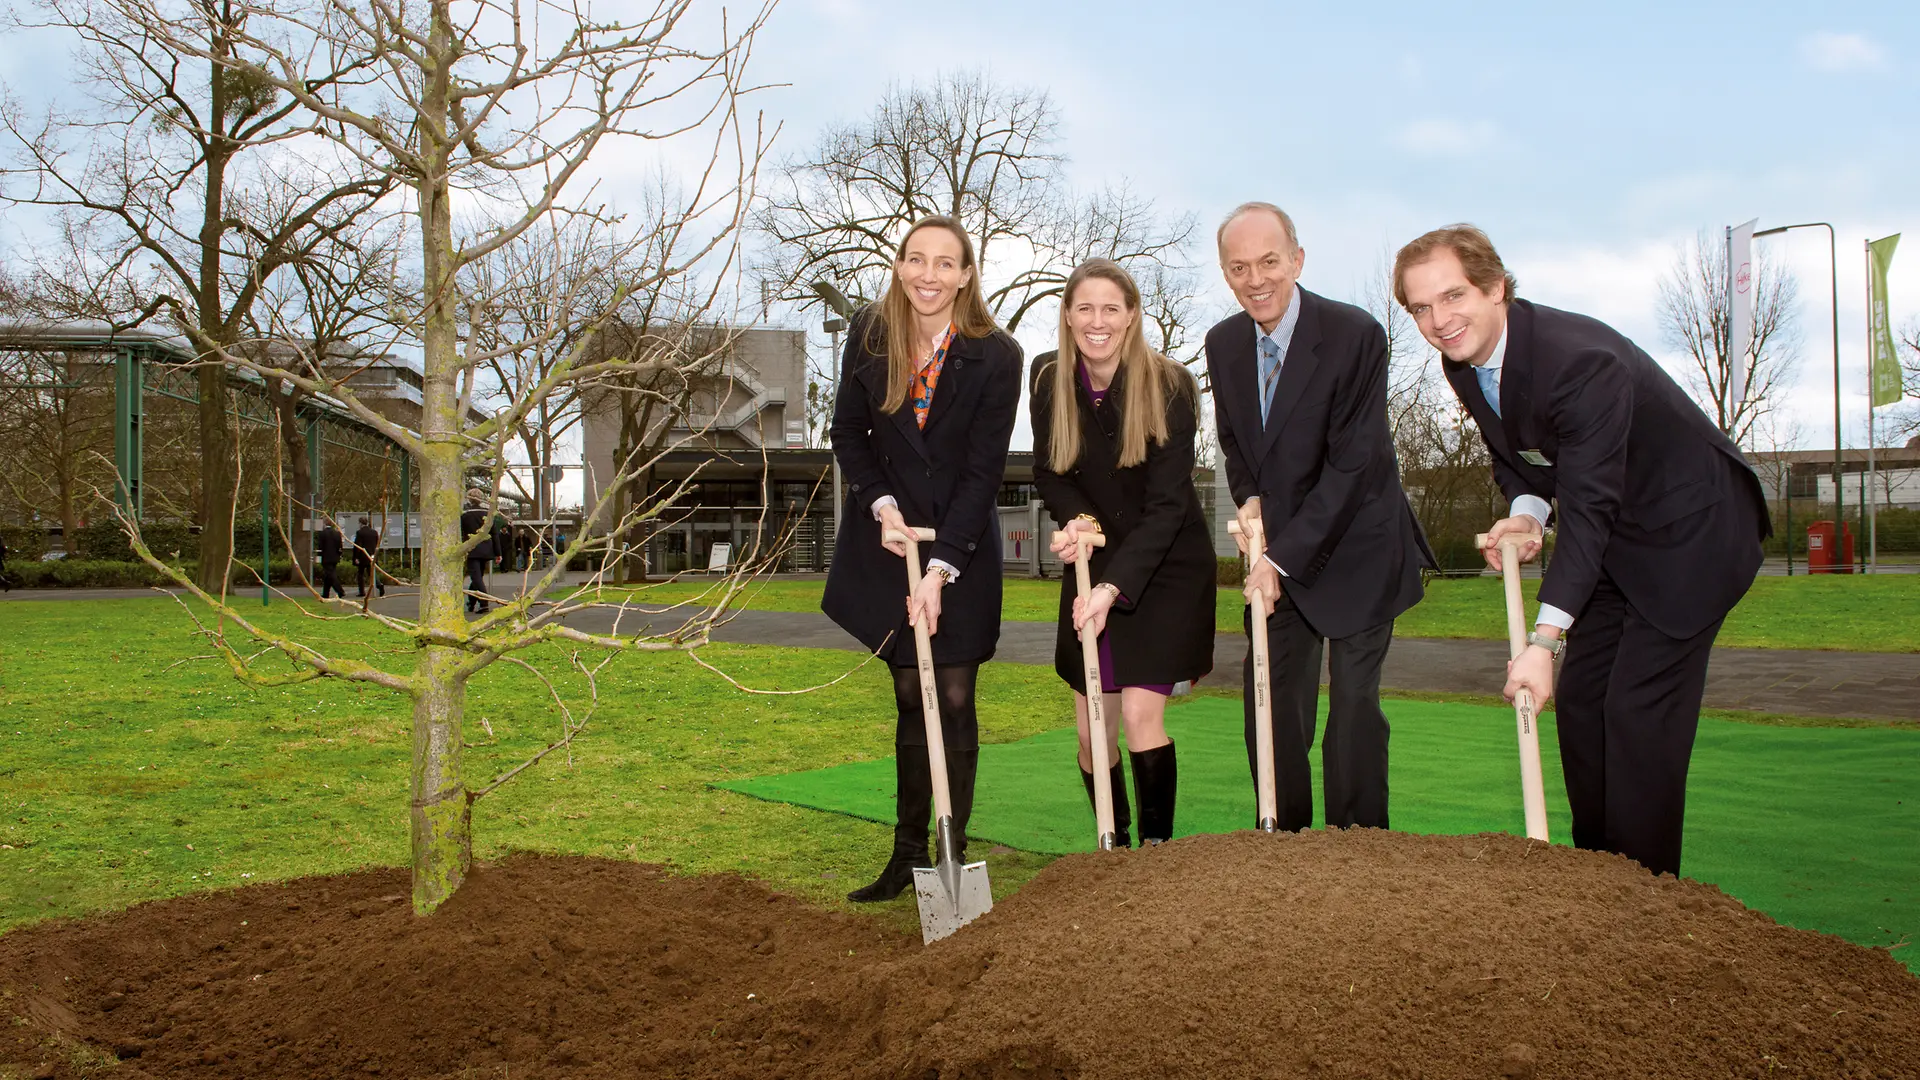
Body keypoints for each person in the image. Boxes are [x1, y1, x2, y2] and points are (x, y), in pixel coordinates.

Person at [1394, 224, 1769, 877]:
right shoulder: (1465, 362)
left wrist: (1544, 642)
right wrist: (1525, 515)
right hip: (1620, 536)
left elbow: (1591, 507)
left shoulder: (1578, 362)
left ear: (1496, 287)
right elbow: (1519, 460)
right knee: (1586, 703)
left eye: (1453, 297)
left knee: (1635, 714)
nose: (1439, 320)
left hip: (1693, 536)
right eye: (1421, 308)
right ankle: (1598, 882)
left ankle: (1644, 900)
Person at [1206, 202, 1436, 833]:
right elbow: (1235, 440)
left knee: (1354, 707)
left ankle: (1356, 851)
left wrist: (1281, 556)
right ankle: (1284, 847)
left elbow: (1353, 465)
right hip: (1277, 555)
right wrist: (1250, 497)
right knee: (1271, 706)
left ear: (1298, 260)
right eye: (1239, 267)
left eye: (1270, 261)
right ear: (1226, 273)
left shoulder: (1355, 334)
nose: (1256, 279)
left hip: (1360, 547)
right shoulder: (1223, 344)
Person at [821, 215, 1022, 902]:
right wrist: (880, 507)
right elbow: (847, 431)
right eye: (916, 260)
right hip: (891, 541)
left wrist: (941, 570)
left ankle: (949, 848)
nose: (928, 275)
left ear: (966, 274)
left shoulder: (998, 355)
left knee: (954, 693)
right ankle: (907, 852)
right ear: (900, 265)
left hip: (959, 546)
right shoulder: (870, 335)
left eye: (945, 263)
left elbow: (981, 471)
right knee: (910, 691)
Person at [1030, 259, 1213, 848]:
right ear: (1067, 315)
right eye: (1085, 307)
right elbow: (1049, 472)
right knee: (1092, 734)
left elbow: (1166, 506)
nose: (1097, 320)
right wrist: (1075, 520)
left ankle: (1155, 859)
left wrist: (1113, 588)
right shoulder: (1046, 379)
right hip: (1095, 559)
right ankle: (1115, 846)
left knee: (1139, 717)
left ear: (1132, 316)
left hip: (1162, 568)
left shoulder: (1171, 386)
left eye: (1111, 308)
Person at [460, 491, 495, 613]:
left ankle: (484, 603)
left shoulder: (465, 516)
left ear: (469, 499)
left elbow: (460, 533)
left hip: (472, 549)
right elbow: (494, 533)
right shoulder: (487, 514)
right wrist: (498, 552)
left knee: (476, 578)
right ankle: (472, 602)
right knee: (477, 576)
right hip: (486, 549)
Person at [352, 517, 385, 598]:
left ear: (360, 523)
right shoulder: (374, 532)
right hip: (372, 556)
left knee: (360, 573)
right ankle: (379, 584)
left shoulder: (360, 533)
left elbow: (357, 546)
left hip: (363, 556)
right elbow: (377, 544)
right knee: (372, 573)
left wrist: (356, 557)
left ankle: (361, 591)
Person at [314, 518, 345, 599]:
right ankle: (325, 593)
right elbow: (340, 546)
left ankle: (340, 591)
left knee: (331, 574)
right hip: (335, 557)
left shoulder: (322, 533)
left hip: (326, 557)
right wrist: (339, 555)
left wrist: (319, 556)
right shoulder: (337, 533)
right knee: (328, 575)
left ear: (324, 524)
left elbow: (320, 547)